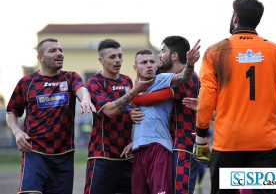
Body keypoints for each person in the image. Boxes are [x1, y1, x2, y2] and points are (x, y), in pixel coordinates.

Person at [194, 0, 276, 194]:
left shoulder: (214, 52)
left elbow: (206, 98)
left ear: (235, 18)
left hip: (228, 143)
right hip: (266, 144)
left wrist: (200, 138)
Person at [6, 38, 96, 194]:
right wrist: (17, 132)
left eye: (60, 50)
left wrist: (86, 99)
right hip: (35, 152)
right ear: (41, 58)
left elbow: (81, 89)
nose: (59, 53)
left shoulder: (70, 77)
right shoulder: (27, 82)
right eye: (53, 50)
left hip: (64, 155)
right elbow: (11, 111)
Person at [122, 44, 200, 194]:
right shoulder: (132, 90)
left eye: (152, 62)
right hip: (138, 149)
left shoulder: (162, 79)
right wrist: (134, 140)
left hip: (159, 146)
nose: (149, 65)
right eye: (144, 63)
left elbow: (183, 76)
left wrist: (190, 63)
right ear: (135, 67)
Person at [83, 39, 153, 194]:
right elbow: (109, 111)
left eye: (120, 56)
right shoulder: (94, 82)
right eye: (112, 57)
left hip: (126, 155)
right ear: (101, 60)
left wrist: (133, 113)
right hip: (103, 156)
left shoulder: (126, 80)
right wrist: (134, 91)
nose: (117, 61)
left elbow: (132, 108)